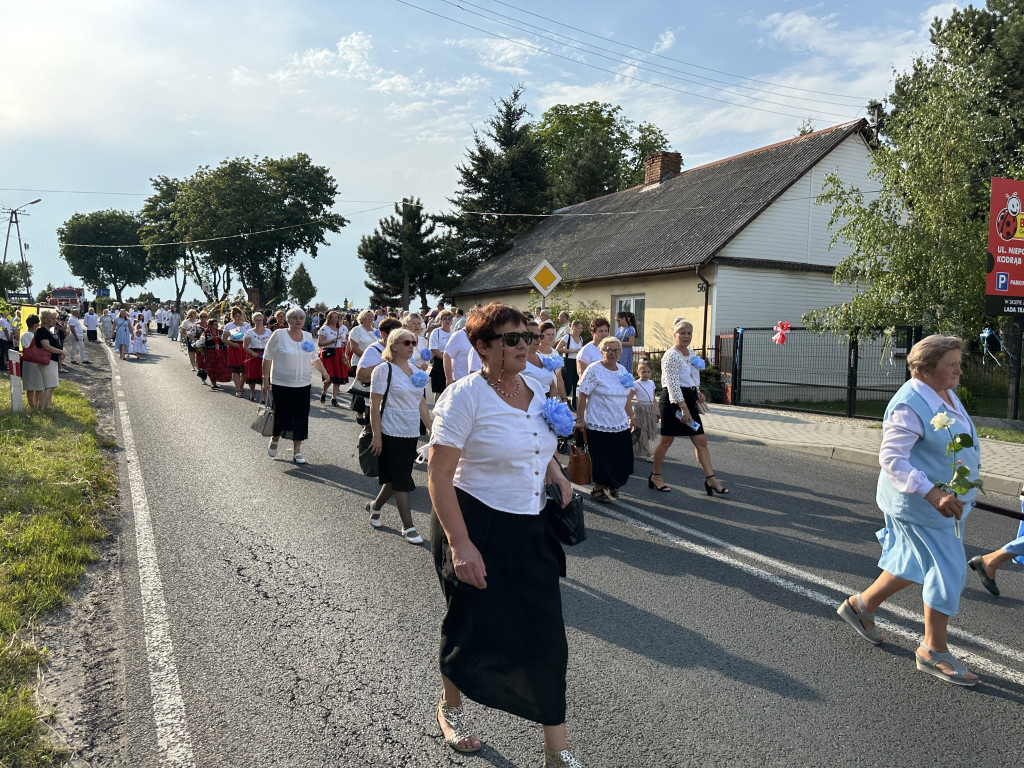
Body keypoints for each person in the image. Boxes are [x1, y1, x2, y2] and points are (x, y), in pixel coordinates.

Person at [427, 302, 580, 767]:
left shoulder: (536, 386)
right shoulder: (463, 397)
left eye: (527, 336)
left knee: (546, 636)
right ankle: (450, 708)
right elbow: (438, 476)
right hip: (475, 524)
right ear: (482, 346)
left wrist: (555, 473)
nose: (524, 345)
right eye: (512, 338)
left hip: (529, 527)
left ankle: (557, 752)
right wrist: (461, 544)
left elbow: (539, 445)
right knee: (472, 628)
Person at [837, 335, 980, 686]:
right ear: (927, 369)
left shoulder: (944, 392)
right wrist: (933, 493)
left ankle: (860, 606)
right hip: (921, 505)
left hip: (943, 503)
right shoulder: (909, 403)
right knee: (949, 569)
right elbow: (892, 459)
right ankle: (933, 650)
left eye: (959, 361)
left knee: (911, 562)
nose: (959, 368)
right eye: (952, 363)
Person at [366, 328, 433, 544]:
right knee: (402, 479)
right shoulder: (384, 370)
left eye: (413, 342)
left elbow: (421, 402)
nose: (412, 346)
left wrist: (431, 428)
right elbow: (374, 405)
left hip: (410, 431)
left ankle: (375, 507)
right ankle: (408, 526)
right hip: (389, 430)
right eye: (407, 342)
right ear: (393, 345)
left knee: (398, 475)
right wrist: (377, 436)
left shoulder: (415, 370)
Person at [650, 318, 726, 494]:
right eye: (682, 333)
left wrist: (697, 392)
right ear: (674, 335)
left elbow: (691, 376)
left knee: (701, 440)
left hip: (689, 401)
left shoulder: (690, 353)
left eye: (689, 333)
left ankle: (711, 479)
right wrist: (683, 407)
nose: (686, 336)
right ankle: (656, 476)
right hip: (673, 403)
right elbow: (672, 385)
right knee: (666, 441)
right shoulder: (670, 356)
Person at [262, 308, 329, 465]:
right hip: (281, 383)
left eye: (301, 318)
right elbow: (267, 357)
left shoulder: (306, 337)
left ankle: (297, 451)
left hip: (303, 383)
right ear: (288, 320)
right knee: (281, 414)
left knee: (300, 417)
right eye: (294, 317)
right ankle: (275, 438)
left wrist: (324, 372)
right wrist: (265, 379)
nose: (298, 320)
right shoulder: (279, 335)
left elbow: (313, 357)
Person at [575, 337, 635, 503]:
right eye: (608, 349)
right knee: (602, 458)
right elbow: (582, 395)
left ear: (620, 353)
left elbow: (626, 397)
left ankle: (613, 483)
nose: (612, 353)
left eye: (616, 350)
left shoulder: (622, 370)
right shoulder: (594, 370)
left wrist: (631, 416)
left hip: (620, 422)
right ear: (601, 352)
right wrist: (580, 419)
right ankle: (598, 490)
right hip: (598, 422)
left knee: (623, 458)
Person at [348, 309, 379, 422]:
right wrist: (367, 357)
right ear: (361, 318)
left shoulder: (377, 331)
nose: (370, 318)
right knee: (361, 387)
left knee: (372, 388)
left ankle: (370, 412)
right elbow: (354, 347)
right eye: (368, 316)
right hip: (360, 362)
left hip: (376, 363)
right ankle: (359, 412)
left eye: (372, 316)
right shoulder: (357, 330)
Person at [32, 309, 65, 410]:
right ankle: (42, 409)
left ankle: (46, 407)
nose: (55, 320)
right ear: (45, 319)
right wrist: (61, 352)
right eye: (53, 318)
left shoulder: (47, 330)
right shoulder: (42, 330)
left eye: (56, 318)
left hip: (51, 361)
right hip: (47, 361)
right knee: (50, 386)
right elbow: (47, 347)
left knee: (51, 385)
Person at [317, 310, 349, 406]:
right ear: (329, 318)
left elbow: (345, 341)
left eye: (336, 317)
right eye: (333, 317)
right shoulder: (324, 328)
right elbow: (320, 343)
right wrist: (331, 341)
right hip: (328, 353)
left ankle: (334, 398)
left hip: (339, 353)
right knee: (329, 376)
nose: (335, 319)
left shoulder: (342, 329)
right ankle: (324, 393)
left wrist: (343, 344)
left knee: (338, 377)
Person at [630, 360, 659, 462]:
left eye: (648, 372)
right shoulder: (635, 384)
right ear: (638, 372)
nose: (646, 374)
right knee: (642, 432)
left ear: (651, 372)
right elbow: (628, 399)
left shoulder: (651, 383)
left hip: (650, 409)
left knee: (648, 432)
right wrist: (630, 415)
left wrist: (657, 411)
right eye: (643, 372)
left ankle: (633, 448)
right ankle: (649, 453)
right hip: (641, 409)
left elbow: (653, 398)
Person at [223, 307, 253, 398]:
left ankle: (241, 385)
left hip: (245, 347)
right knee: (235, 369)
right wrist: (232, 344)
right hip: (234, 347)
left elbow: (251, 336)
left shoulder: (247, 325)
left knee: (244, 370)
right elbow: (223, 339)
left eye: (240, 316)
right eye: (236, 316)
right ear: (233, 317)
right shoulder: (229, 326)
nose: (239, 318)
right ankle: (238, 389)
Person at [243, 313, 272, 401]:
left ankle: (263, 397)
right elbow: (245, 346)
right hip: (253, 356)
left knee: (264, 376)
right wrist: (252, 353)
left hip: (265, 356)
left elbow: (272, 345)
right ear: (253, 321)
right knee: (252, 376)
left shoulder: (269, 332)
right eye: (257, 320)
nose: (259, 322)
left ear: (263, 320)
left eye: (260, 320)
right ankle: (252, 391)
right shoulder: (249, 332)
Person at [555, 320, 584, 408]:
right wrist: (572, 350)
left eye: (581, 328)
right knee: (567, 385)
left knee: (576, 385)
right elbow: (557, 349)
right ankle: (563, 403)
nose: (580, 330)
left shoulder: (581, 338)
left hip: (577, 363)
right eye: (578, 328)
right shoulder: (567, 337)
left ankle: (575, 406)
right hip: (567, 362)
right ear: (573, 328)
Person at [196, 316, 229, 390]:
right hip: (210, 353)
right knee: (211, 368)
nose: (217, 326)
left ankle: (218, 379)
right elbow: (200, 342)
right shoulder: (206, 333)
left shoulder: (221, 332)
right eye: (215, 324)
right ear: (210, 325)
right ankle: (213, 383)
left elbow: (226, 340)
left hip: (221, 353)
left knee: (221, 367)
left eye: (217, 324)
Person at [18, 314, 43, 408]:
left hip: (38, 362)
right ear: (35, 324)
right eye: (38, 322)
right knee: (31, 386)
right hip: (30, 362)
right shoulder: (26, 335)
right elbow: (29, 349)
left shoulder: (35, 334)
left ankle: (37, 404)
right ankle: (32, 406)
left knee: (39, 386)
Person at [428, 310, 454, 397]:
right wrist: (445, 359)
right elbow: (434, 348)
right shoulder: (436, 332)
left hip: (452, 363)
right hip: (439, 362)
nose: (447, 321)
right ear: (440, 321)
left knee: (451, 389)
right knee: (439, 391)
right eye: (445, 319)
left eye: (449, 319)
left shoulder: (454, 333)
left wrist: (450, 361)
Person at [614, 311, 636, 375]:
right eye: (616, 321)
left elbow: (631, 343)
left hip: (626, 352)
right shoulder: (619, 329)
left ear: (624, 318)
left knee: (624, 369)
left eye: (619, 320)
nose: (618, 322)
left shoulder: (630, 329)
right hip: (618, 351)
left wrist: (619, 343)